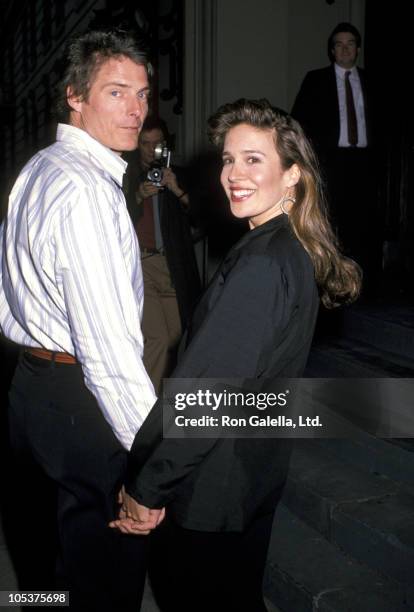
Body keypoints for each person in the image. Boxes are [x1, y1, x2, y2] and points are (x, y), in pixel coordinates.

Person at [110, 98, 361, 611]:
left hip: (214, 488)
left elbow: (207, 396)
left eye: (253, 159)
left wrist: (148, 488)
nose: (233, 174)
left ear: (291, 175)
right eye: (228, 159)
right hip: (246, 477)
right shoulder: (285, 248)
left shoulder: (263, 265)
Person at [0, 30, 161, 611]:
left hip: (30, 390)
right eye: (116, 93)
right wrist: (149, 457)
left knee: (47, 566)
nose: (136, 110)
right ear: (75, 96)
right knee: (104, 578)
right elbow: (108, 347)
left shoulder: (38, 168)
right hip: (78, 399)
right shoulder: (87, 189)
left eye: (143, 94)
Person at [291, 22, 380, 296]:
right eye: (339, 44)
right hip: (329, 165)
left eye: (350, 43)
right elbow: (298, 123)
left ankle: (363, 289)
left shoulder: (372, 82)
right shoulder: (315, 80)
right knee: (329, 225)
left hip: (365, 165)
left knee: (363, 226)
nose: (345, 48)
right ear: (332, 50)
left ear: (358, 48)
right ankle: (329, 288)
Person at [125, 116, 201, 394]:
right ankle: (145, 414)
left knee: (177, 337)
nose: (150, 150)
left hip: (173, 266)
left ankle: (163, 403)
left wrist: (177, 189)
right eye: (145, 144)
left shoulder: (176, 174)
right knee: (155, 339)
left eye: (157, 144)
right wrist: (136, 196)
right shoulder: (125, 174)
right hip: (141, 265)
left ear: (165, 145)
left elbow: (203, 218)